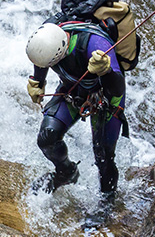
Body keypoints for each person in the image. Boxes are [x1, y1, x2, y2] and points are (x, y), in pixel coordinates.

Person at [26, 20, 126, 197]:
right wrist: (38, 81)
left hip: (106, 98)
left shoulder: (94, 44)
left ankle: (106, 202)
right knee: (47, 136)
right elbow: (42, 60)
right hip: (73, 90)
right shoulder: (48, 35)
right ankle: (66, 173)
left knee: (103, 155)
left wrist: (105, 71)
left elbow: (118, 88)